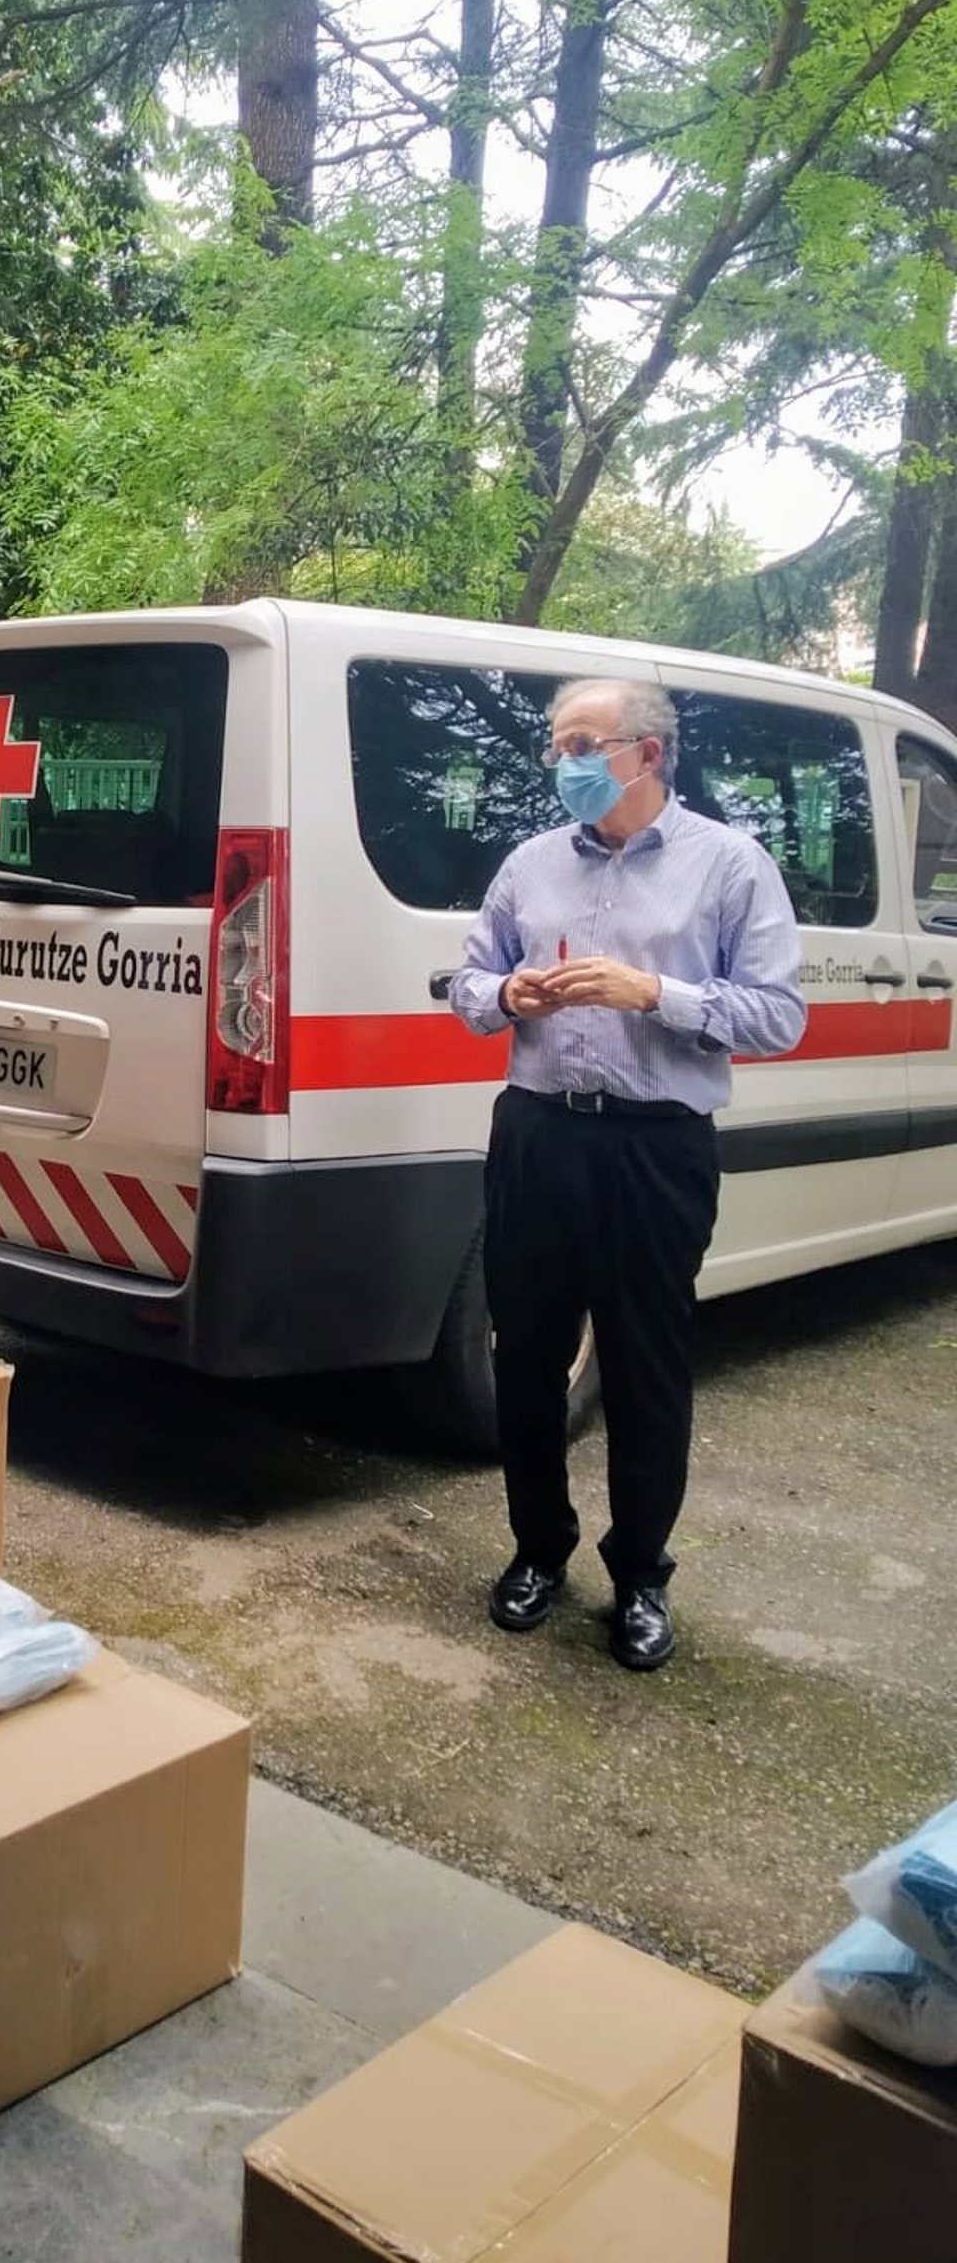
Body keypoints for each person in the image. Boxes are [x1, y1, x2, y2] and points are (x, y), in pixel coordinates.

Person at [449, 676, 805, 1671]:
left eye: (581, 744)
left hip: (656, 1147)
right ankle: (537, 1551)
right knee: (527, 1358)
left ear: (646, 752)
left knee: (646, 1365)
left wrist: (655, 993)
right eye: (556, 745)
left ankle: (641, 1576)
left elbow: (778, 1015)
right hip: (538, 1135)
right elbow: (468, 983)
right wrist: (506, 993)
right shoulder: (530, 863)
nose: (562, 762)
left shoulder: (728, 865)